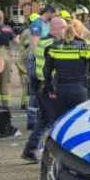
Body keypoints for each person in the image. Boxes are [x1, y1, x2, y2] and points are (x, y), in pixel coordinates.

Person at [44, 19, 90, 119]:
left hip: (61, 91)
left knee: (61, 122)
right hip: (79, 91)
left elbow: (46, 70)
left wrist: (50, 88)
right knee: (79, 122)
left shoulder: (54, 47)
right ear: (80, 33)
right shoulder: (83, 48)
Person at [22, 17, 60, 162]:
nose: (65, 30)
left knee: (44, 120)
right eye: (62, 27)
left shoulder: (43, 41)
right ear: (54, 29)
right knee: (54, 121)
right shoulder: (54, 44)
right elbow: (53, 69)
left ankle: (30, 150)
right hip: (47, 87)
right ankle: (54, 155)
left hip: (38, 84)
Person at [14, 23, 32, 111]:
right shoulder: (36, 32)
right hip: (25, 65)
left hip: (21, 64)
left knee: (25, 86)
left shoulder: (24, 32)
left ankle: (23, 104)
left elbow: (20, 46)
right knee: (29, 86)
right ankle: (26, 105)